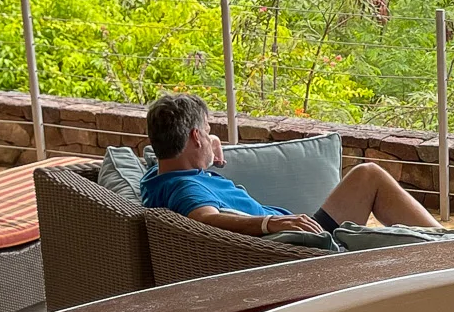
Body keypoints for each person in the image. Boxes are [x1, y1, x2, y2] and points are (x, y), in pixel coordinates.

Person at [139, 93, 437, 237]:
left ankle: (445, 241)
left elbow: (183, 163)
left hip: (296, 233)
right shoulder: (186, 188)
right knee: (368, 176)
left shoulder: (158, 176)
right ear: (194, 137)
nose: (211, 135)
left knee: (366, 176)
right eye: (206, 129)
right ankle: (449, 246)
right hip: (300, 243)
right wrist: (271, 222)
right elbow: (205, 219)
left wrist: (208, 142)